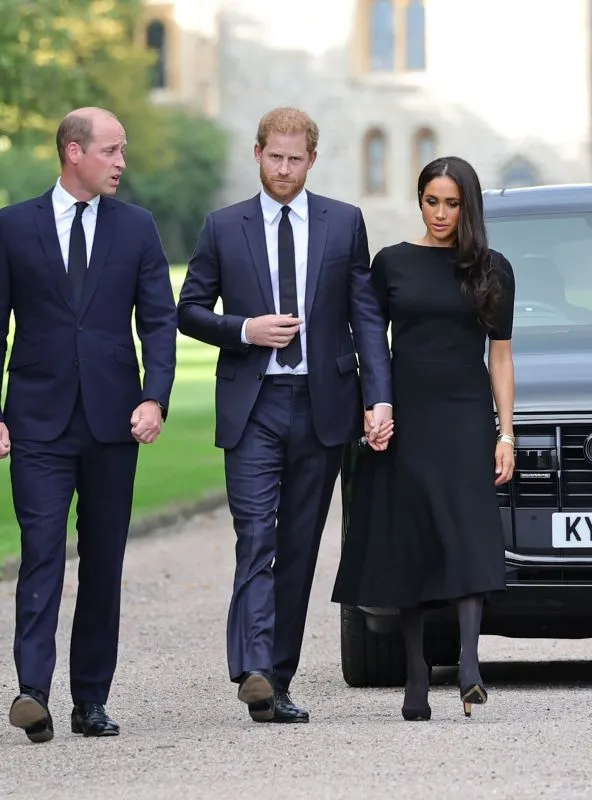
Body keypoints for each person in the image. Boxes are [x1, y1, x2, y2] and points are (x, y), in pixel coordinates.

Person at [177, 107, 393, 724]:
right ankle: (252, 668)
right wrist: (244, 328)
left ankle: (279, 678)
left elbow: (366, 319)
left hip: (323, 408)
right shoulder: (224, 226)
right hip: (254, 406)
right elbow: (188, 309)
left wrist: (379, 396)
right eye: (275, 157)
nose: (284, 169)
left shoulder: (343, 223)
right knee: (256, 537)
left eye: (296, 159)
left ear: (312, 161)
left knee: (299, 549)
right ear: (258, 153)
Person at [0, 107, 177, 744]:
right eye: (111, 151)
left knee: (104, 563)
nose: (121, 162)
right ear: (72, 152)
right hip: (37, 422)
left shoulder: (138, 228)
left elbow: (159, 323)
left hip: (115, 423)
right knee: (41, 556)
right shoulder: (12, 227)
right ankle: (33, 691)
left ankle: (91, 699)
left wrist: (155, 398)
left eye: (123, 151)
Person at [331, 155, 516, 721]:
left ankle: (467, 665)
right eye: (432, 201)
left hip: (464, 416)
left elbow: (501, 356)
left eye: (452, 203)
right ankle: (415, 678)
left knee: (464, 532)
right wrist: (373, 409)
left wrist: (505, 432)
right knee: (409, 540)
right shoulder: (392, 264)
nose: (440, 213)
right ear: (420, 201)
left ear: (469, 206)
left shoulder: (493, 269)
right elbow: (369, 340)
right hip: (407, 416)